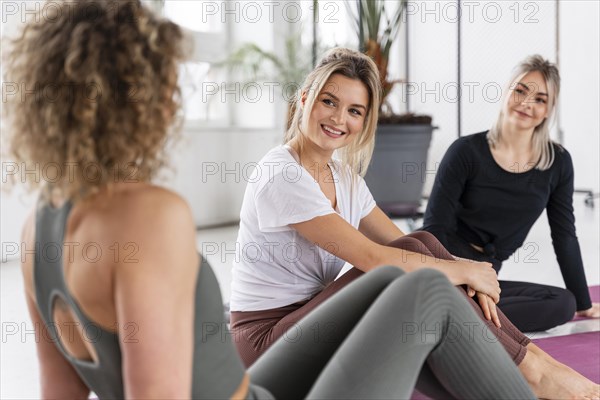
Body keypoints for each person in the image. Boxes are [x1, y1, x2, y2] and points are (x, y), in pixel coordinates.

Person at [4, 2, 538, 399]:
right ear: (140, 97)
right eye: (166, 81)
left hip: (255, 383)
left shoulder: (37, 228)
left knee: (420, 278)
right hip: (259, 365)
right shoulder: (150, 215)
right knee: (425, 291)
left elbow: (60, 393)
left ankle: (533, 374)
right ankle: (537, 377)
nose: (173, 98)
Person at [229, 48, 600, 399]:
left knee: (418, 262)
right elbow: (374, 259)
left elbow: (413, 242)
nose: (339, 119)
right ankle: (533, 368)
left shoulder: (344, 178)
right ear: (305, 97)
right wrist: (466, 271)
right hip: (267, 343)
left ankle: (529, 375)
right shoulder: (283, 173)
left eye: (355, 111)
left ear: (364, 121)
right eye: (329, 101)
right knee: (399, 275)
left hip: (312, 324)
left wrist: (466, 273)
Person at [422, 55, 600, 333]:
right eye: (520, 91)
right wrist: (461, 274)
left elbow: (564, 234)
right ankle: (456, 312)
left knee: (563, 303)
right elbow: (433, 230)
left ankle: (457, 318)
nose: (527, 103)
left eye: (540, 99)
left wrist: (584, 302)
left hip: (487, 276)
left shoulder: (557, 162)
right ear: (507, 91)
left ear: (549, 110)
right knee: (460, 293)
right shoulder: (466, 151)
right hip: (447, 268)